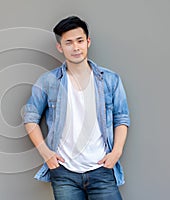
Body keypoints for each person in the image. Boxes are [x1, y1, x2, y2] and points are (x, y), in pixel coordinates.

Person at [23, 16, 130, 200]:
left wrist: (116, 153)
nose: (76, 47)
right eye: (69, 43)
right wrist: (45, 153)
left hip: (102, 169)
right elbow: (30, 117)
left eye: (80, 41)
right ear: (60, 47)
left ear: (88, 42)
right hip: (64, 173)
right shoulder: (48, 82)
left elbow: (121, 118)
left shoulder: (110, 80)